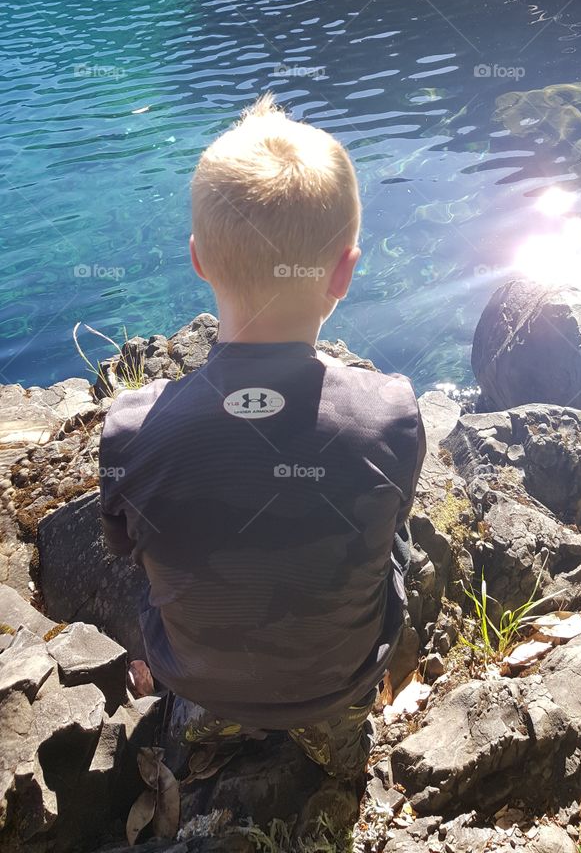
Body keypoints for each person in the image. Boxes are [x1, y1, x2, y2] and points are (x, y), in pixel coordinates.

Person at [99, 93, 426, 781]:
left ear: (197, 259)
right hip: (335, 686)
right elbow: (389, 521)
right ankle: (337, 756)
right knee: (394, 533)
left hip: (197, 679)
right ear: (344, 269)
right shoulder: (389, 410)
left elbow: (126, 548)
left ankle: (204, 732)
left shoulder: (130, 427)